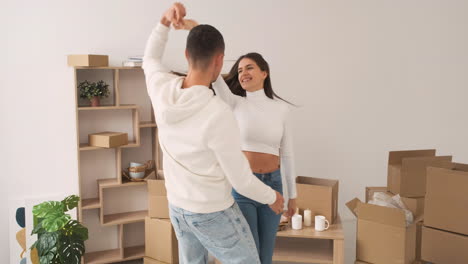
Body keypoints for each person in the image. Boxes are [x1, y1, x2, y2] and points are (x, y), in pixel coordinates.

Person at [142, 3, 284, 264]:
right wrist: (272, 196)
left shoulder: (160, 88)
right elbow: (241, 181)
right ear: (220, 61)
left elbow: (150, 59)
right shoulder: (218, 114)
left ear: (186, 54)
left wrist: (163, 23)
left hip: (177, 207)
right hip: (212, 212)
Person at [211, 53, 297, 264]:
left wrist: (292, 195)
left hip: (274, 186)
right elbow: (215, 78)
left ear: (264, 73)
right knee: (248, 256)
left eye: (249, 68)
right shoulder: (235, 103)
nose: (243, 74)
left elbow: (287, 155)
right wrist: (206, 43)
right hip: (244, 187)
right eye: (239, 70)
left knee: (265, 255)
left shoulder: (281, 109)